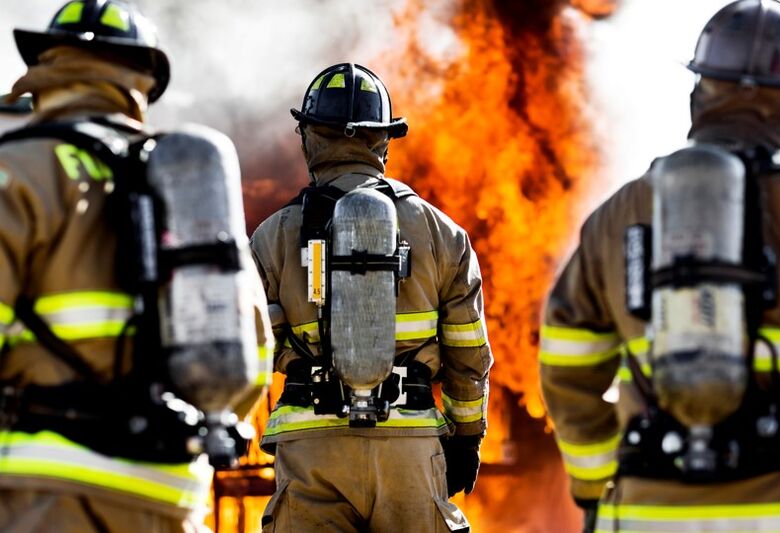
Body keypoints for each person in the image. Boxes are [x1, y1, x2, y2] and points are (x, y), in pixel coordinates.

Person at [0, 1, 271, 531]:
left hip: (45, 495)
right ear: (142, 81)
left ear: (47, 69)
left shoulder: (17, 168)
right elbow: (252, 358)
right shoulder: (186, 182)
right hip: (171, 498)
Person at [540, 0, 780, 531]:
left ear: (700, 92)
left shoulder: (619, 215)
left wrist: (595, 485)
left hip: (649, 511)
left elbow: (567, 366)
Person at [251, 62, 492, 532]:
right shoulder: (443, 234)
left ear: (309, 137)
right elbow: (468, 355)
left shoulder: (271, 237)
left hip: (310, 453)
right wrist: (465, 439)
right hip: (410, 450)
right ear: (383, 139)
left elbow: (249, 350)